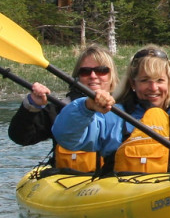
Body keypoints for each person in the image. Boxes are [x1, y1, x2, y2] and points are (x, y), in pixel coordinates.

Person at [52, 45, 170, 173]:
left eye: (160, 80)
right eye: (144, 80)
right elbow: (67, 137)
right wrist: (86, 107)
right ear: (133, 84)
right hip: (126, 197)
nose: (153, 87)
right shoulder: (114, 117)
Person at [8, 44, 119, 172]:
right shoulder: (60, 109)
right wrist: (32, 106)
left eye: (101, 70)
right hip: (67, 181)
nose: (93, 76)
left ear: (112, 76)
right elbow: (21, 137)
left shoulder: (126, 110)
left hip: (113, 182)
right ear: (77, 77)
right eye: (85, 71)